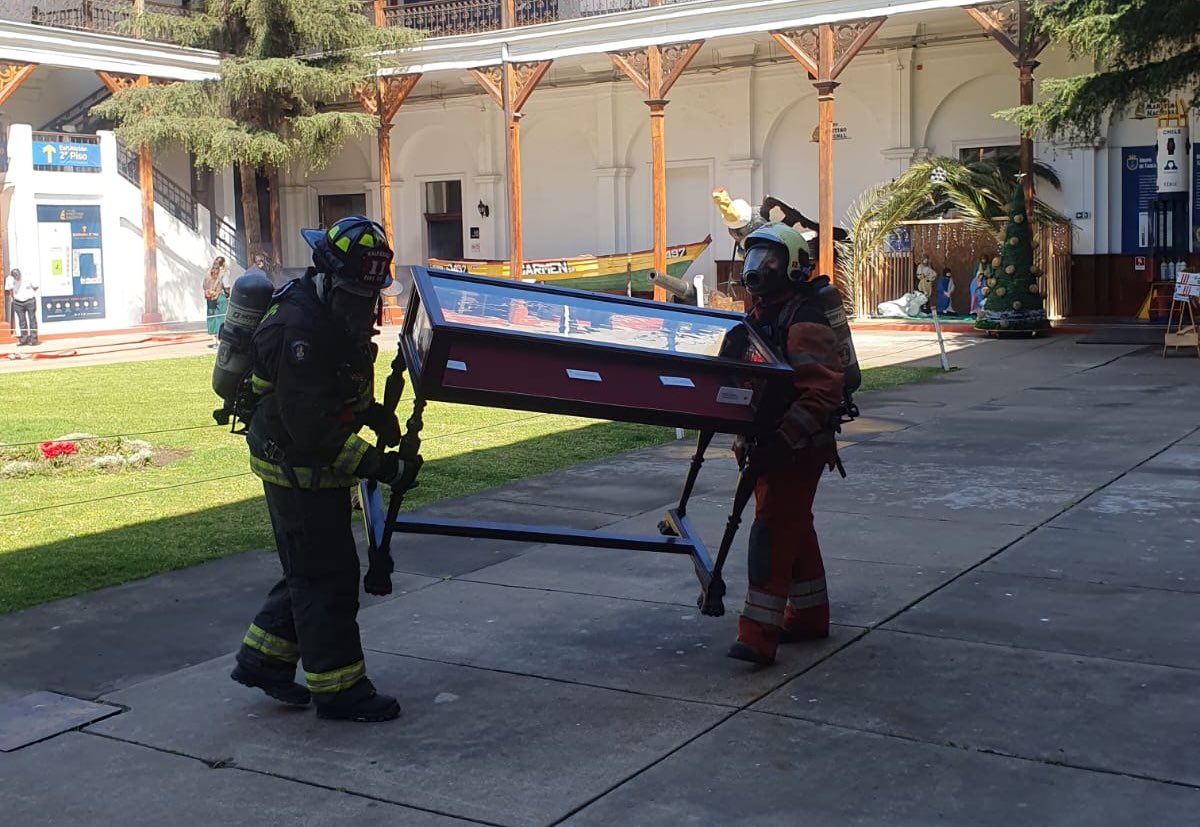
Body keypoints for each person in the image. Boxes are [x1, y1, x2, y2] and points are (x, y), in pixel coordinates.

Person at [231, 215, 417, 722]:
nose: (367, 306)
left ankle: (263, 660)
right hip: (295, 468)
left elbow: (339, 391)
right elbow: (311, 428)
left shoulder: (332, 313)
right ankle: (341, 691)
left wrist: (372, 414)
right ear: (330, 278)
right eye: (358, 294)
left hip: (312, 466)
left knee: (309, 569)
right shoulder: (301, 329)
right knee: (327, 578)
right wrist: (381, 466)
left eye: (371, 294)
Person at [727, 223, 845, 666]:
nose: (758, 270)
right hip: (772, 442)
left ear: (793, 266)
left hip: (798, 446)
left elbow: (822, 392)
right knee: (794, 524)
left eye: (770, 260)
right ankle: (810, 617)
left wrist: (782, 440)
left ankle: (758, 636)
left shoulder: (803, 320)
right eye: (754, 259)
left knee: (771, 534)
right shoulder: (761, 315)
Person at [5, 268, 39, 346]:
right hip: (18, 302)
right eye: (15, 277)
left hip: (30, 301)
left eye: (18, 276)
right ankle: (24, 340)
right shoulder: (10, 279)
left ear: (20, 274)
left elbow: (36, 287)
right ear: (12, 276)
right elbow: (9, 289)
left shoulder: (28, 277)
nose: (17, 278)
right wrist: (11, 297)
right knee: (21, 321)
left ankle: (34, 340)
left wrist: (30, 291)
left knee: (32, 320)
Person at [203, 256, 229, 348]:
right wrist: (228, 294)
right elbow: (226, 286)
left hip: (210, 297)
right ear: (223, 264)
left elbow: (204, 285)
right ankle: (219, 339)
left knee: (211, 316)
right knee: (221, 318)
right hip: (220, 296)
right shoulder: (224, 273)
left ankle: (213, 340)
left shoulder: (208, 272)